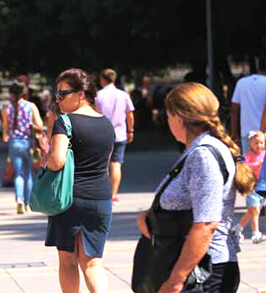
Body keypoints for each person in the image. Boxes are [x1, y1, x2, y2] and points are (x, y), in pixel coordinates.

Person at [137, 83, 252, 293]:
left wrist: (176, 281)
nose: (167, 121)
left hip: (204, 272)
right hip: (198, 268)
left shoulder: (203, 156)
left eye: (168, 115)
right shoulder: (198, 150)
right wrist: (152, 214)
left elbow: (206, 224)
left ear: (179, 118)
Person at [44, 69, 114, 293]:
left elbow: (57, 161)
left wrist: (45, 162)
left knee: (68, 262)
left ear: (81, 94)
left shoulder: (65, 122)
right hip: (101, 199)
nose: (58, 99)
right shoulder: (106, 124)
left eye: (63, 94)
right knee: (93, 263)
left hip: (70, 199)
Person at [95, 68, 135, 205]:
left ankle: (103, 194)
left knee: (102, 165)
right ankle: (113, 195)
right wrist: (131, 130)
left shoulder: (98, 96)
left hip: (101, 134)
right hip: (120, 134)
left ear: (102, 79)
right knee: (116, 165)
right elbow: (130, 114)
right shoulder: (123, 95)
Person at [3, 82, 43, 214]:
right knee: (28, 174)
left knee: (18, 174)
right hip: (28, 143)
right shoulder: (31, 106)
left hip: (14, 143)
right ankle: (27, 203)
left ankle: (19, 199)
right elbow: (39, 124)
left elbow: (4, 132)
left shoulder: (7, 108)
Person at [235, 130, 266, 243]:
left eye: (261, 143)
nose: (259, 145)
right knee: (255, 210)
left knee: (252, 211)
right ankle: (255, 233)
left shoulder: (264, 154)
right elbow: (244, 166)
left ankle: (238, 227)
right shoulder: (248, 155)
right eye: (256, 143)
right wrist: (256, 164)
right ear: (250, 144)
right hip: (252, 186)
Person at [231, 57, 266, 152]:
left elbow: (234, 109)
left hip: (246, 133)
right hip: (264, 134)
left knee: (249, 164)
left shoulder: (241, 82)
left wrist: (234, 133)